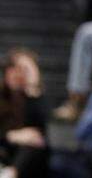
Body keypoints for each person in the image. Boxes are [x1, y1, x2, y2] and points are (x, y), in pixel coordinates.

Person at [0, 49, 48, 178]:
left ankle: (10, 174)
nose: (18, 74)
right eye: (15, 68)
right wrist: (11, 136)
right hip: (4, 149)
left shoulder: (32, 98)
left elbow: (40, 133)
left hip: (26, 157)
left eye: (25, 70)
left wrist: (32, 86)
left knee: (33, 144)